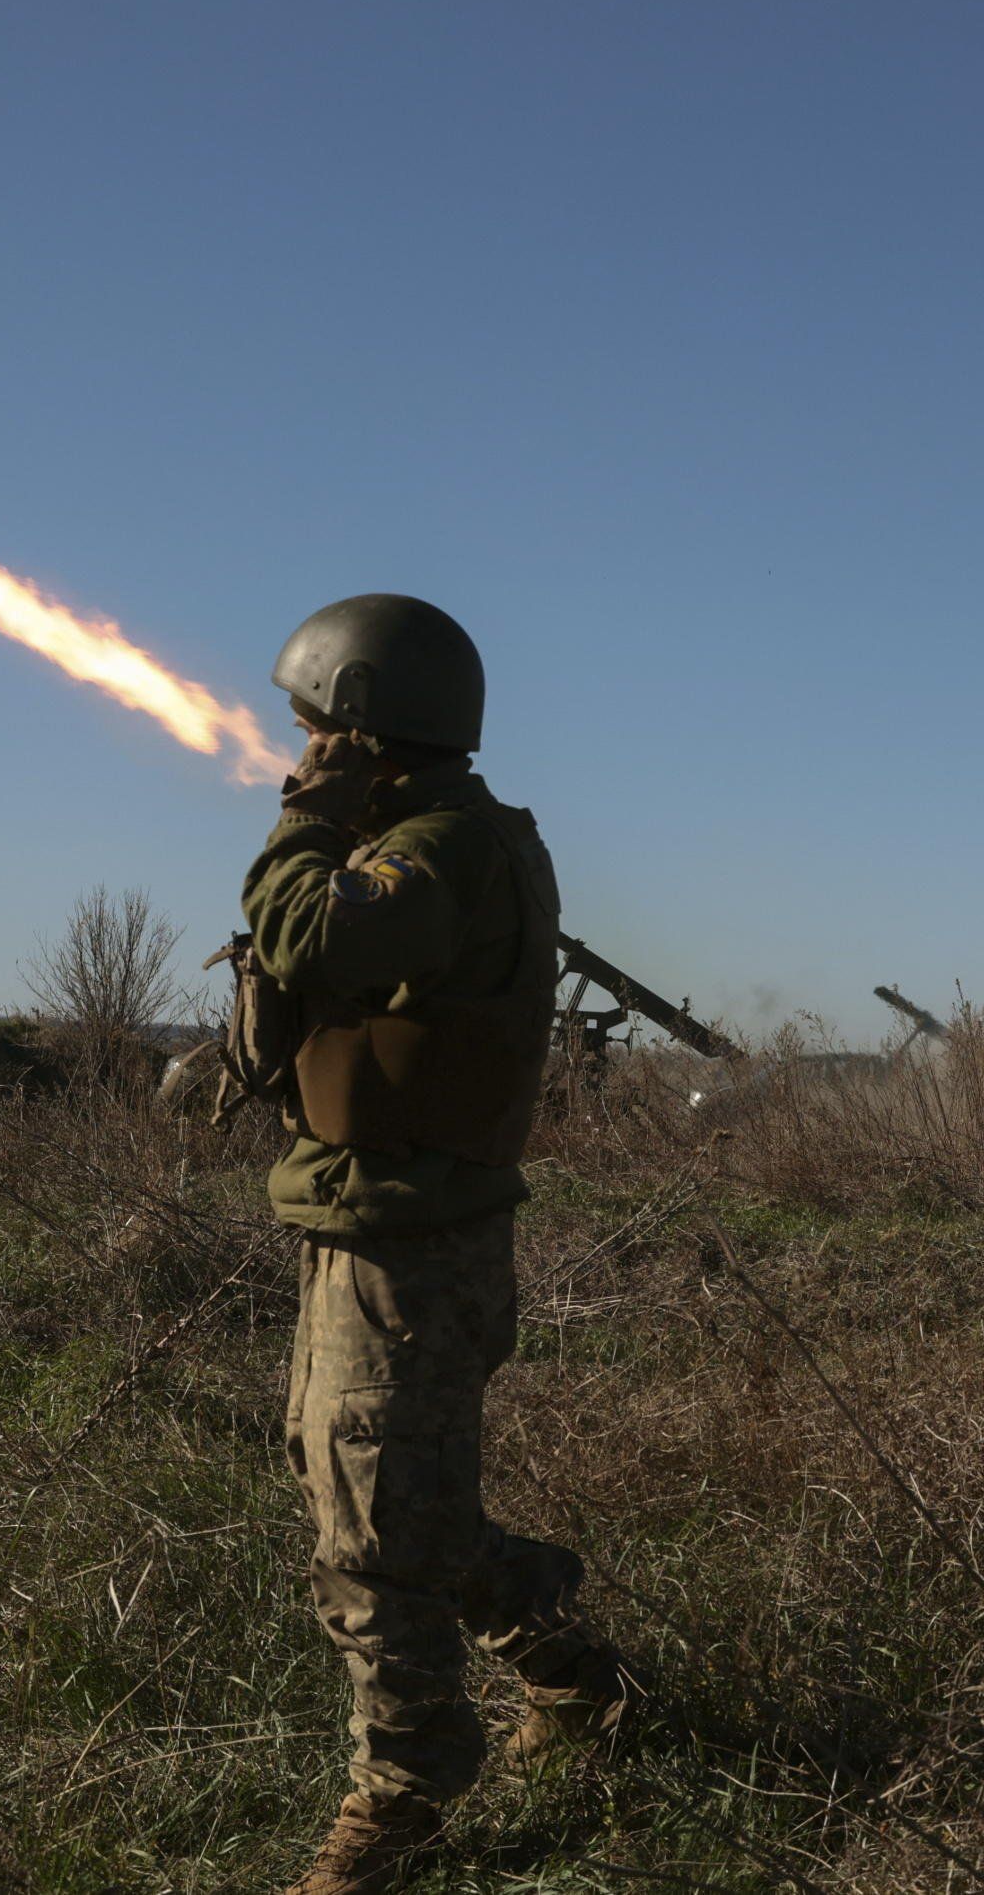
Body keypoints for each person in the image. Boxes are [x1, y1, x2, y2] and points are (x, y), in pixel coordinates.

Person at [238, 594, 633, 1895]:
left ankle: (400, 1810)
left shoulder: (440, 851)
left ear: (361, 731)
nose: (293, 756)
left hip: (410, 1252)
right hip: (381, 1230)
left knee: (370, 1539)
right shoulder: (438, 839)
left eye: (313, 736)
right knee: (400, 1503)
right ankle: (576, 1673)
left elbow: (309, 932)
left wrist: (303, 822)